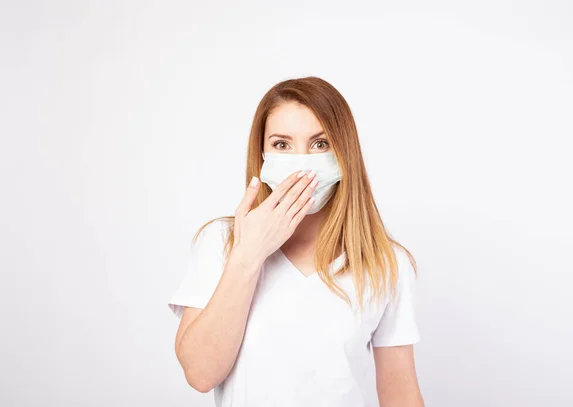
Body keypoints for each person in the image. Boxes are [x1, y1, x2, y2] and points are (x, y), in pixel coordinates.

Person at [167, 76, 425, 407]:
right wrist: (249, 254)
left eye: (320, 144)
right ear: (262, 154)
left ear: (344, 153)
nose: (302, 162)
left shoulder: (384, 262)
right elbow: (200, 374)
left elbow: (400, 394)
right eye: (282, 144)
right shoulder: (221, 242)